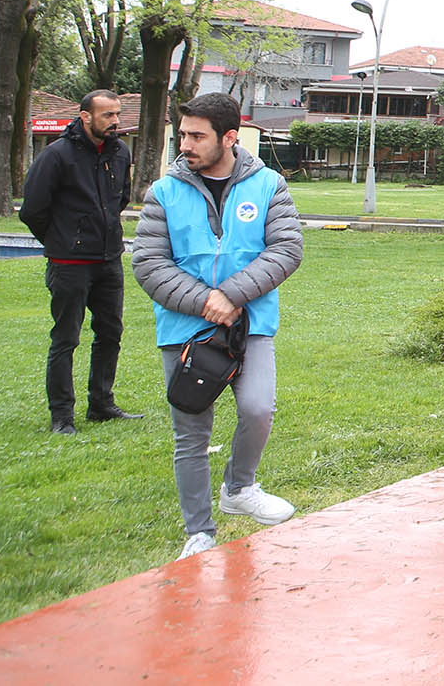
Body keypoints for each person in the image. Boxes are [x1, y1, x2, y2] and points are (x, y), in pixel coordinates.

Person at [131, 93, 303, 561]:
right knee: (190, 431)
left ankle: (239, 487)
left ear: (230, 137)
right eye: (182, 134)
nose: (184, 144)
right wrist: (207, 300)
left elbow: (286, 249)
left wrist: (233, 296)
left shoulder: (269, 184)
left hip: (250, 325)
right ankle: (199, 532)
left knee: (257, 409)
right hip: (184, 329)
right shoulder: (163, 191)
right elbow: (148, 263)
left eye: (196, 135)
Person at [20, 90, 137, 434]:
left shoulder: (119, 152)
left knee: (111, 332)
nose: (115, 121)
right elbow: (33, 210)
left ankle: (101, 404)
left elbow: (121, 199)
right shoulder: (57, 155)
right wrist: (61, 241)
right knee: (66, 338)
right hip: (69, 262)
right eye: (107, 115)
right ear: (85, 116)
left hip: (108, 259)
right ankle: (62, 417)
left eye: (117, 114)